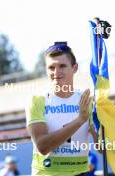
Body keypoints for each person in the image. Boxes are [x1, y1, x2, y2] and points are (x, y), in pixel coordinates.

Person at [25, 42, 98, 176]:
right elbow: (43, 146)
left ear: (75, 68)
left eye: (62, 66)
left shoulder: (88, 100)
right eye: (51, 67)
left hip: (81, 173)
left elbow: (101, 147)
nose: (56, 72)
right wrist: (80, 120)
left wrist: (107, 120)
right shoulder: (37, 100)